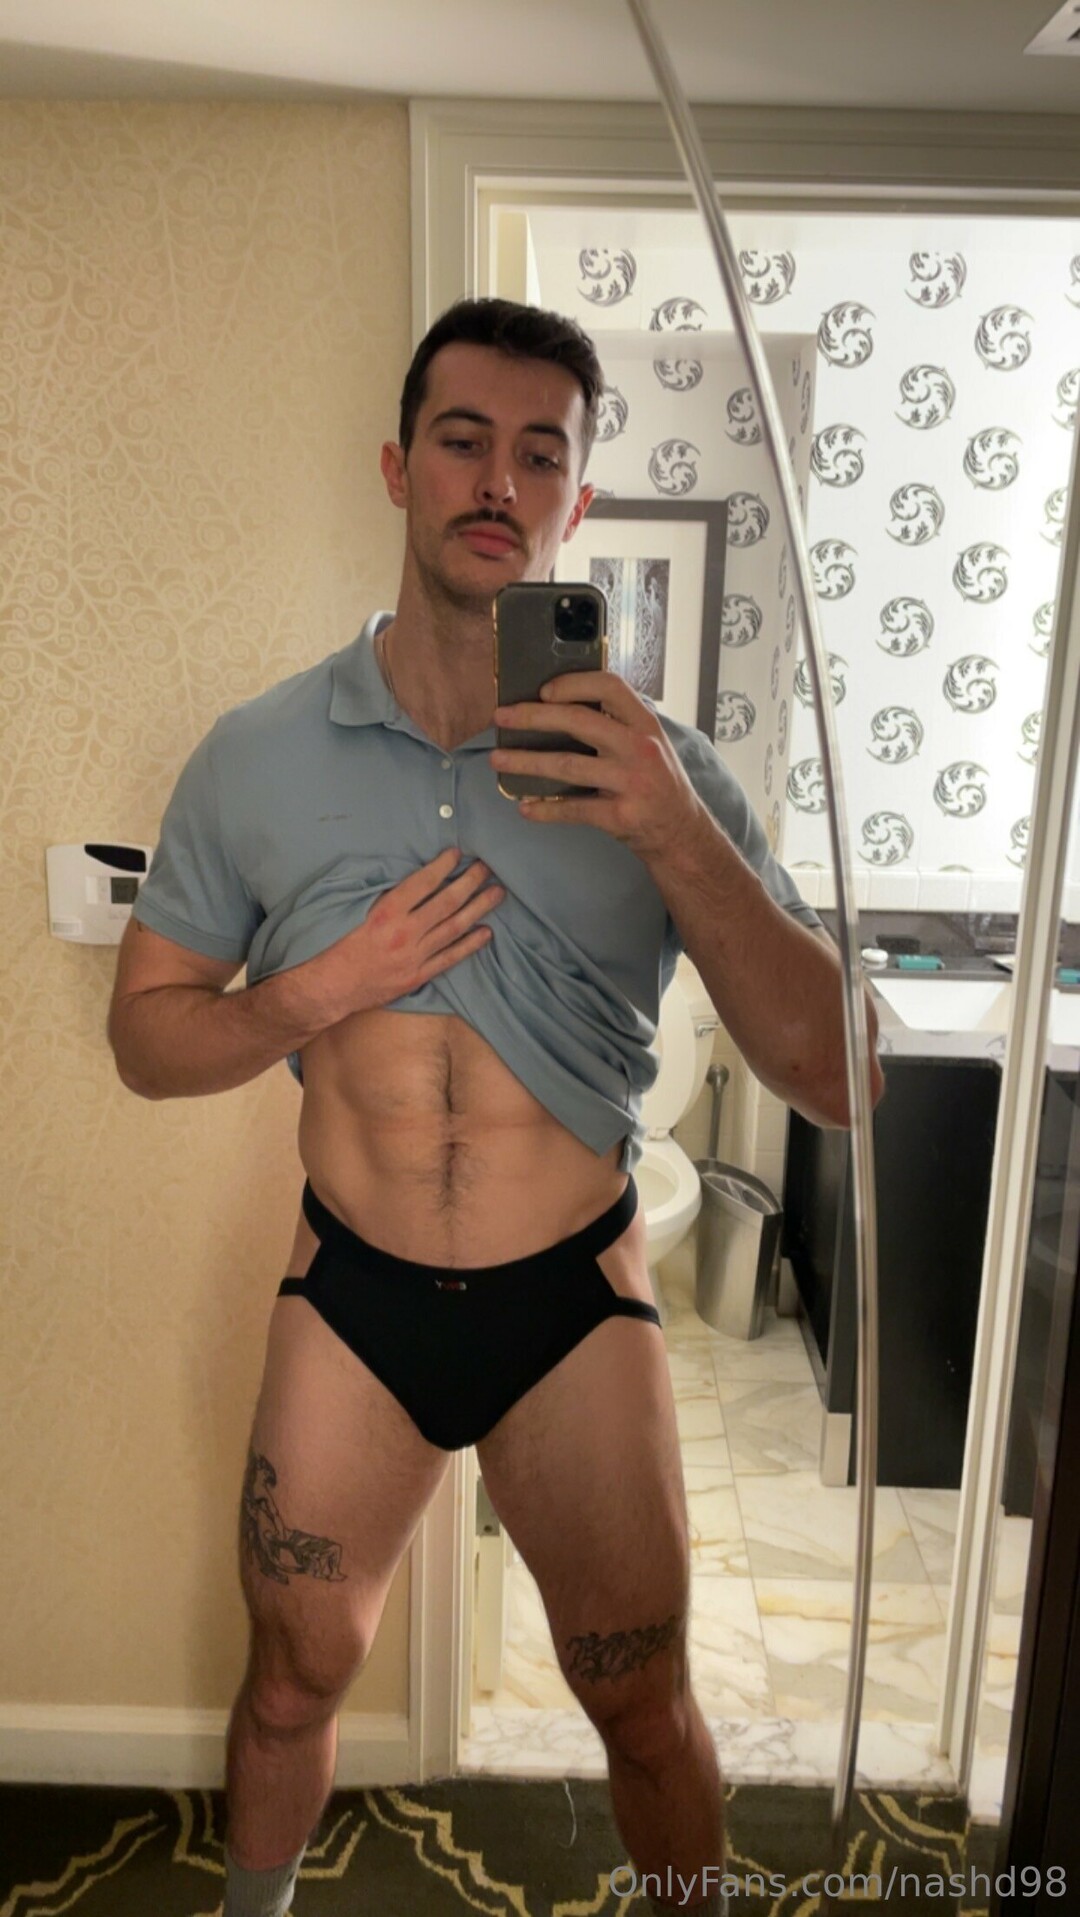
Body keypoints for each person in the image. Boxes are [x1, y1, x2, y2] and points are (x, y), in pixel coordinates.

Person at [107, 296, 884, 1917]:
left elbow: (839, 1075)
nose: (499, 481)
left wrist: (672, 828)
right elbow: (147, 1043)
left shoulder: (662, 769)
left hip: (567, 1304)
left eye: (542, 454)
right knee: (289, 1678)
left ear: (577, 501)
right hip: (355, 1293)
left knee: (645, 1703)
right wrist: (320, 988)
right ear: (399, 467)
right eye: (463, 440)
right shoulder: (256, 755)